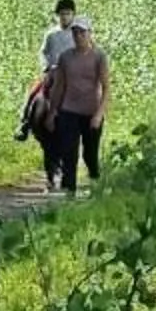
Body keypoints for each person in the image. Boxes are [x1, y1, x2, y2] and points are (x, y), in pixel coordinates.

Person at [43, 12, 110, 195]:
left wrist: (99, 114)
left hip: (91, 112)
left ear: (90, 34)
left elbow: (106, 88)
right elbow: (59, 87)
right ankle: (69, 192)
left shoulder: (99, 56)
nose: (78, 36)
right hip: (69, 110)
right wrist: (52, 113)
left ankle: (96, 184)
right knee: (69, 152)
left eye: (82, 33)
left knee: (90, 154)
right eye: (75, 33)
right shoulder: (65, 57)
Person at [23, 0, 81, 187]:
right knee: (34, 92)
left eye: (68, 14)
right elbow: (43, 53)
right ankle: (24, 121)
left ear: (73, 15)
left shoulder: (78, 34)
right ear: (57, 16)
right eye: (62, 14)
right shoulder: (51, 35)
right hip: (53, 72)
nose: (64, 17)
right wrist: (47, 66)